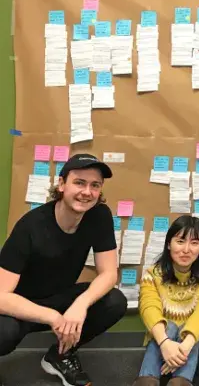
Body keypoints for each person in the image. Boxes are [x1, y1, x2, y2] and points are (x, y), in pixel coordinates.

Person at [0, 153, 127, 386]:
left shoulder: (99, 215)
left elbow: (109, 273)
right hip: (21, 307)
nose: (87, 192)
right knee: (3, 332)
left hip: (61, 299)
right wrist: (52, 317)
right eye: (79, 182)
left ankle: (59, 355)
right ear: (62, 185)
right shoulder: (31, 226)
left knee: (114, 301)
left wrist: (81, 303)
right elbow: (1, 296)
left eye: (95, 185)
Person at [133, 215, 199, 386]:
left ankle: (179, 381)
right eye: (180, 241)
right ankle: (148, 381)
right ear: (168, 244)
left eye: (194, 243)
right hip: (163, 346)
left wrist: (183, 348)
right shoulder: (153, 273)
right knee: (170, 326)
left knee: (188, 330)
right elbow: (149, 308)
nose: (186, 249)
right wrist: (166, 345)